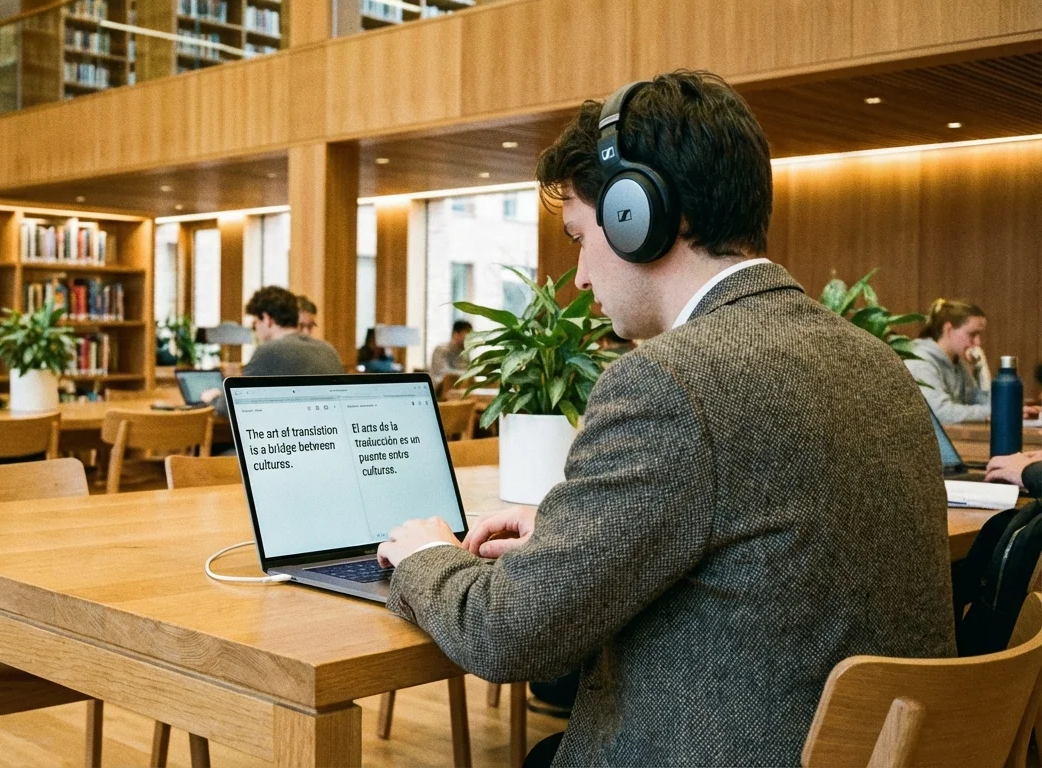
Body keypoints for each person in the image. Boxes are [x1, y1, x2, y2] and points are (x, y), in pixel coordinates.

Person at [374, 71, 955, 767]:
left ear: (637, 216)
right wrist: (573, 530)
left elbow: (506, 637)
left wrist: (427, 557)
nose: (581, 277)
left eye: (578, 238)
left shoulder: (670, 383)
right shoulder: (875, 362)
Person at [199, 286, 343, 418]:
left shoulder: (270, 351)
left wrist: (213, 398)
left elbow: (228, 407)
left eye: (256, 322)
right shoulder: (328, 349)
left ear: (267, 319)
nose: (255, 328)